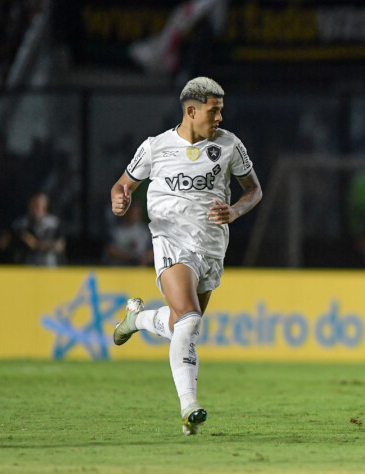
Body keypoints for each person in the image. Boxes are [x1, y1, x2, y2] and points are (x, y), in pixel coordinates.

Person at [110, 77, 262, 436]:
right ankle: (189, 407)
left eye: (221, 110)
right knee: (190, 319)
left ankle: (137, 319)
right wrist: (120, 198)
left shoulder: (229, 145)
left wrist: (235, 212)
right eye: (214, 110)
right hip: (170, 242)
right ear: (191, 111)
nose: (220, 118)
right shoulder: (155, 148)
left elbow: (254, 190)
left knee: (182, 324)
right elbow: (123, 185)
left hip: (211, 247)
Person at [11, 192, 66, 266]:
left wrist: (39, 245)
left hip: (49, 266)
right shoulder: (21, 224)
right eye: (34, 205)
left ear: (45, 206)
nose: (37, 208)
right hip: (27, 266)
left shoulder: (54, 223)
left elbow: (60, 246)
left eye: (40, 205)